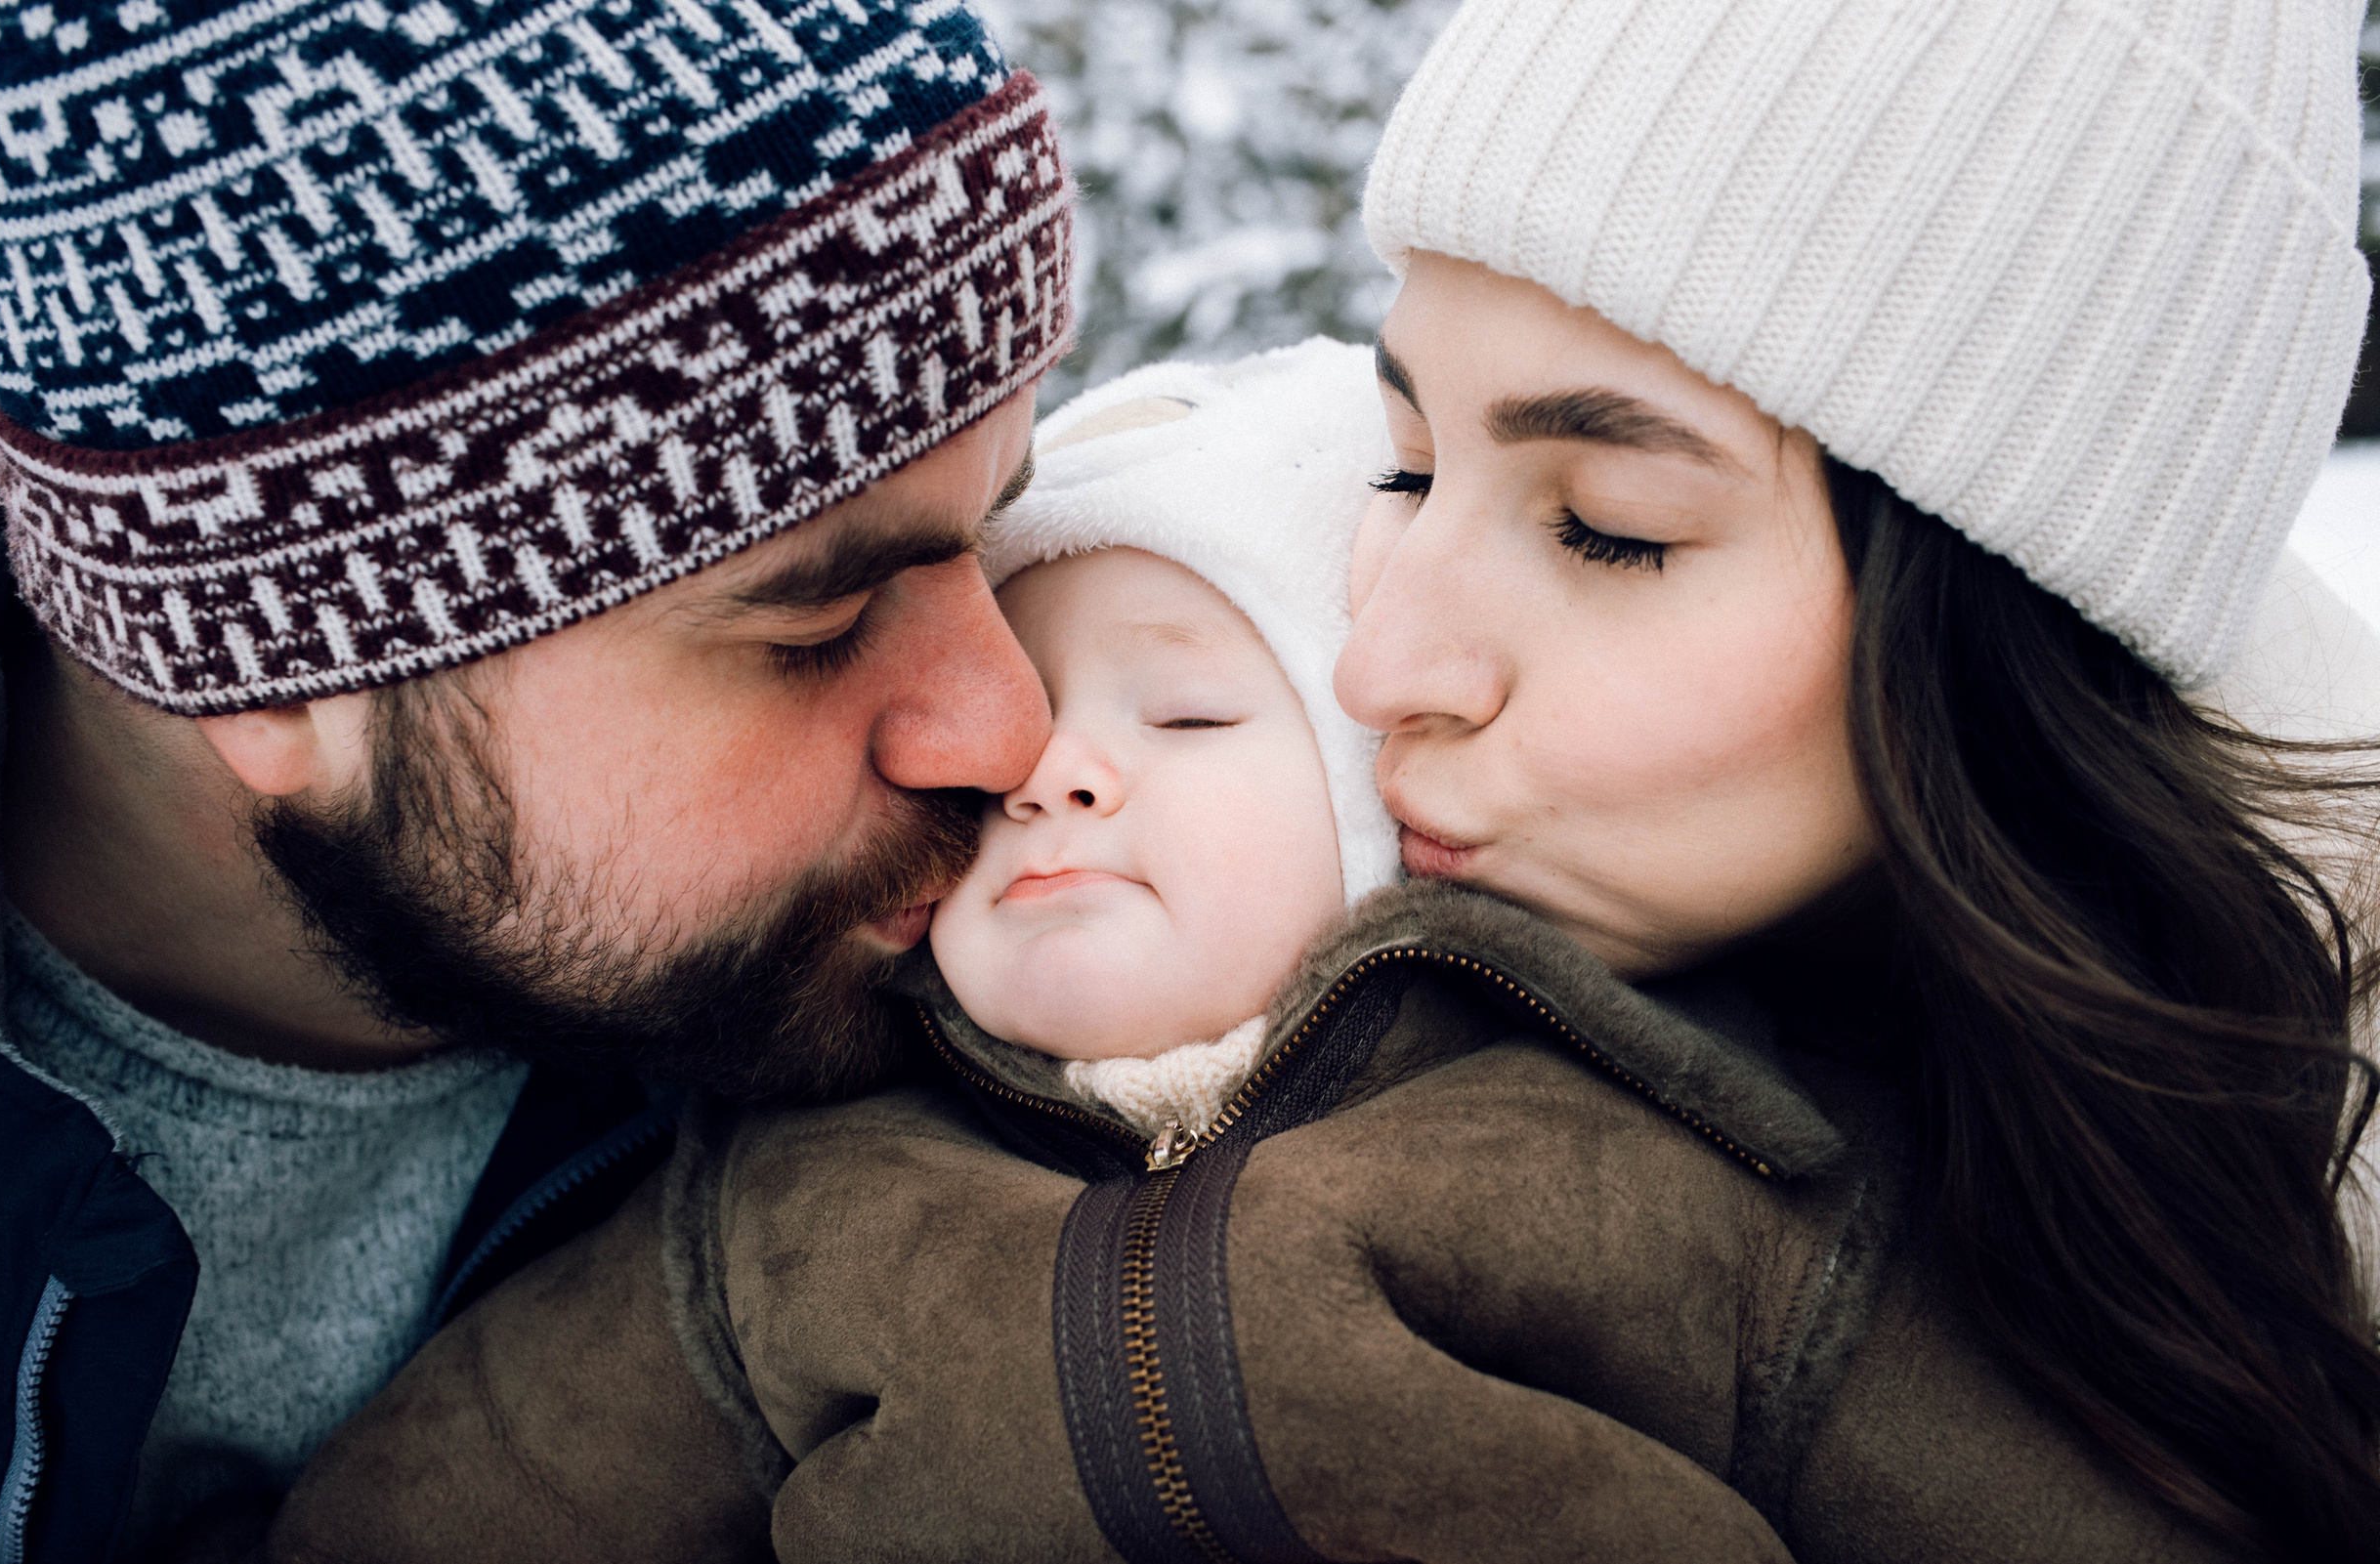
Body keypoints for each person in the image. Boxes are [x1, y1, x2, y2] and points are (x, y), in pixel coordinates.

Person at [258, 0, 2380, 1560]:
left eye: (1609, 529)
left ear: (2007, 638)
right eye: (1403, 465)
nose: (1371, 661)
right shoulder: (804, 1152)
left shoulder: (1869, 1202)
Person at [0, 0, 1076, 1553]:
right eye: (818, 621)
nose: (1015, 726)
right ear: (281, 650)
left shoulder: (1110, 853)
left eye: (994, 527)